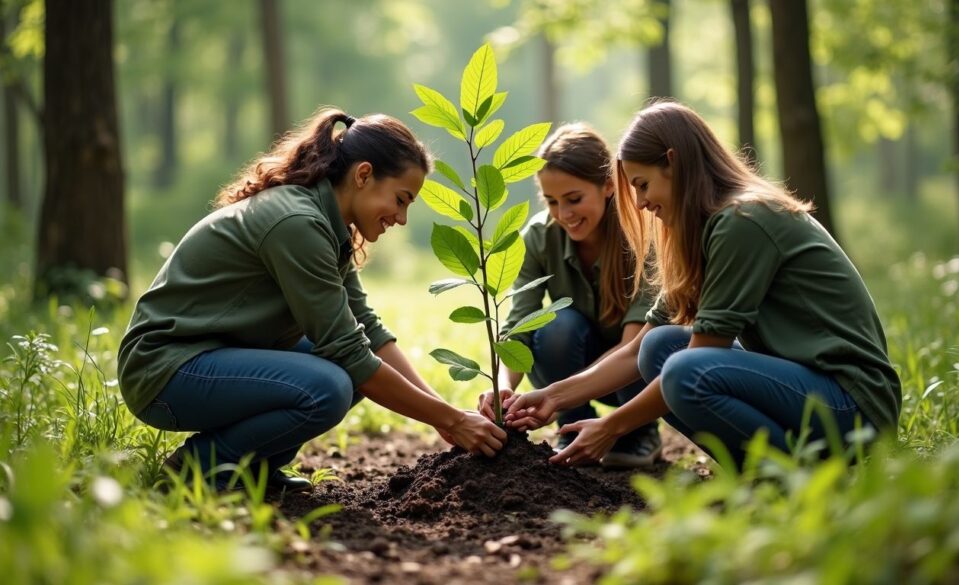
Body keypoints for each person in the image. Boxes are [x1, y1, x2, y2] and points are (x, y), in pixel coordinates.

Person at [118, 108, 507, 493]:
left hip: (209, 357)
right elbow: (351, 354)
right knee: (332, 384)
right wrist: (453, 420)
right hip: (164, 371)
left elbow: (366, 332)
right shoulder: (297, 223)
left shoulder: (325, 224)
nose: (402, 218)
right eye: (401, 199)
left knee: (351, 372)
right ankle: (200, 466)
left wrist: (444, 416)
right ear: (364, 174)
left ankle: (253, 469)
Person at [503, 102, 901, 469]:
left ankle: (789, 471)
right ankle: (772, 465)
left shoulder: (743, 220)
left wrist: (612, 426)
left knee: (682, 368)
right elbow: (639, 347)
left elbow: (700, 358)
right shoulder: (703, 226)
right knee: (659, 348)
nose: (639, 203)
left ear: (673, 164)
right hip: (801, 388)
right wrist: (553, 396)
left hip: (853, 404)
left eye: (642, 185)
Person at [476, 123, 660, 468]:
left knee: (655, 343)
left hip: (630, 370)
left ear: (608, 186)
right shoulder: (539, 237)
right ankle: (573, 427)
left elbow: (635, 346)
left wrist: (555, 395)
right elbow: (520, 326)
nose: (564, 215)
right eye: (551, 201)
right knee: (555, 326)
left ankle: (636, 430)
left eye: (574, 199)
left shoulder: (643, 234)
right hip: (573, 368)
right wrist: (503, 388)